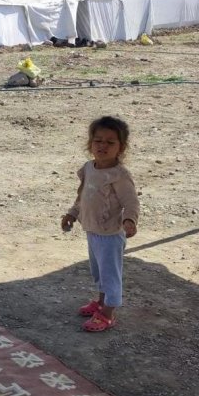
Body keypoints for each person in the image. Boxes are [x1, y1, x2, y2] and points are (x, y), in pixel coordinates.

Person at [61, 115, 139, 332]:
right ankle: (102, 301)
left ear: (121, 147)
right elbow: (83, 196)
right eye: (98, 140)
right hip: (92, 231)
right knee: (99, 272)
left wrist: (130, 220)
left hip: (110, 236)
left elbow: (131, 201)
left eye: (110, 142)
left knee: (110, 274)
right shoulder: (89, 168)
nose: (103, 146)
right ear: (90, 143)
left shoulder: (119, 175)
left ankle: (108, 313)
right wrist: (72, 214)